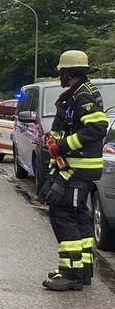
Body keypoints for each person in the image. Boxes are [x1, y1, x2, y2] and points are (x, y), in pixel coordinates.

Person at [39, 50, 108, 291]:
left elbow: (98, 128)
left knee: (63, 215)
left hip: (78, 170)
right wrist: (53, 139)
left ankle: (71, 274)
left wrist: (63, 145)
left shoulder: (84, 97)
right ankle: (83, 270)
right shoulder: (74, 96)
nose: (60, 76)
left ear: (67, 73)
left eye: (61, 72)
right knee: (78, 216)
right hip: (75, 169)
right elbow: (70, 128)